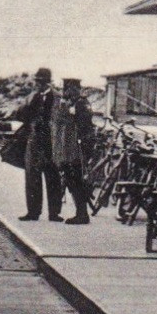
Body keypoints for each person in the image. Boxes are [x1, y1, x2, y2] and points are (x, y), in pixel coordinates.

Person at [14, 68, 63, 222]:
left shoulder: (57, 97)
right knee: (32, 177)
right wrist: (27, 107)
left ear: (47, 82)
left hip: (51, 143)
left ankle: (54, 213)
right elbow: (20, 115)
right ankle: (33, 212)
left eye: (40, 81)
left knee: (53, 178)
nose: (38, 84)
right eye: (37, 81)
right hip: (34, 141)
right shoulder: (32, 97)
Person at [54, 77, 95, 224]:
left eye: (68, 89)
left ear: (75, 89)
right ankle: (81, 212)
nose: (65, 92)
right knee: (72, 180)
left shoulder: (81, 104)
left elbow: (83, 127)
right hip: (73, 150)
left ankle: (82, 214)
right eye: (65, 89)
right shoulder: (74, 104)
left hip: (79, 149)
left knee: (77, 180)